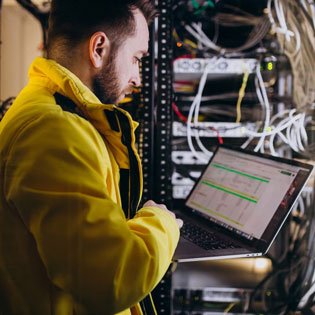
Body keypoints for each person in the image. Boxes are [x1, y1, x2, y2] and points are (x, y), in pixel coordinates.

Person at [0, 0, 183, 314]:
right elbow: (113, 278)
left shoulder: (59, 114)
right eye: (137, 58)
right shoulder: (53, 131)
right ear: (99, 48)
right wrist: (162, 222)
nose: (138, 78)